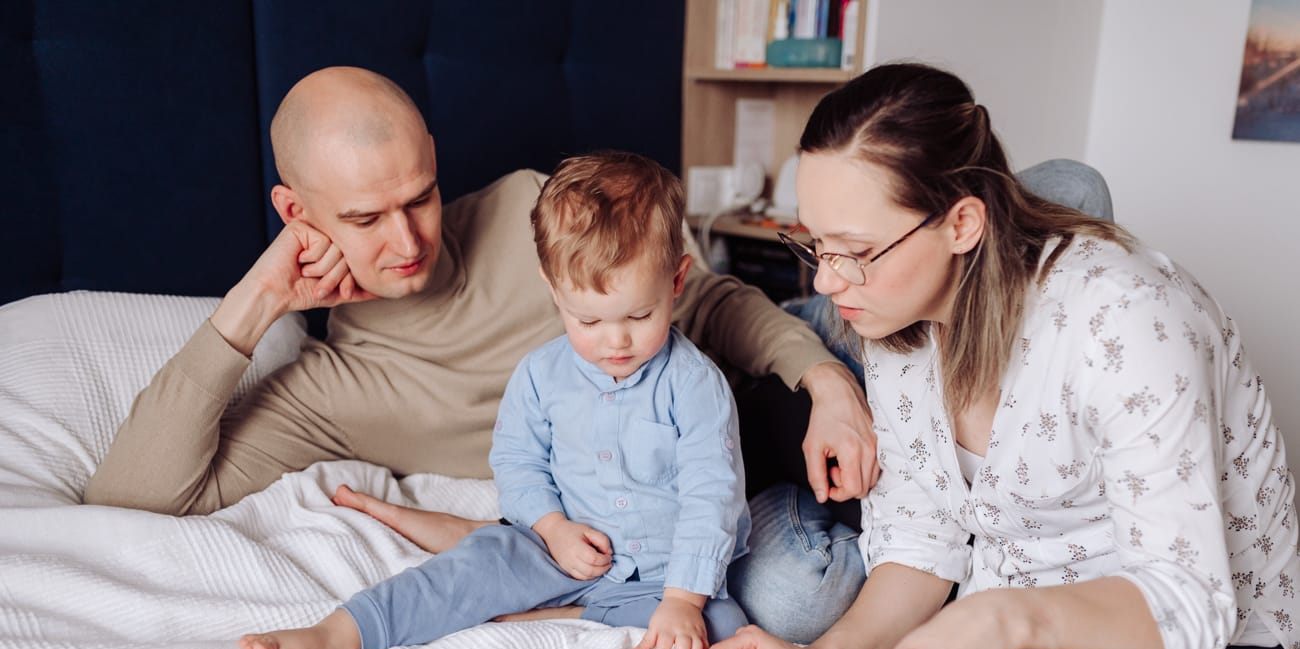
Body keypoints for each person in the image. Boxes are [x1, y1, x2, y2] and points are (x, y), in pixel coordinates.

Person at [682, 62, 1300, 649]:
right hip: (1029, 594)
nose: (825, 281)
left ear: (961, 223)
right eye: (815, 246)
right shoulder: (892, 318)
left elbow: (1190, 600)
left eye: (854, 249)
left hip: (1215, 631)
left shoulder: (1127, 317)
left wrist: (999, 616)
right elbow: (922, 539)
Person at [82, 66, 874, 532]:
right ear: (296, 214)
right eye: (364, 218)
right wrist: (254, 302)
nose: (408, 241)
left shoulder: (525, 208)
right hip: (716, 488)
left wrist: (825, 381)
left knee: (905, 316)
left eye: (420, 196)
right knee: (795, 592)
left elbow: (708, 304)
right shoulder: (330, 391)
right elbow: (130, 498)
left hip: (764, 372)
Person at [239, 151, 749, 649]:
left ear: (676, 280)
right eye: (588, 320)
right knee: (472, 568)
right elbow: (517, 462)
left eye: (640, 315)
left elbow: (711, 495)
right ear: (553, 292)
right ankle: (338, 633)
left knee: (725, 627)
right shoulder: (539, 375)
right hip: (553, 549)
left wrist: (683, 601)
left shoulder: (695, 385)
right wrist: (552, 528)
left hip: (664, 572)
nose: (615, 341)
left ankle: (568, 615)